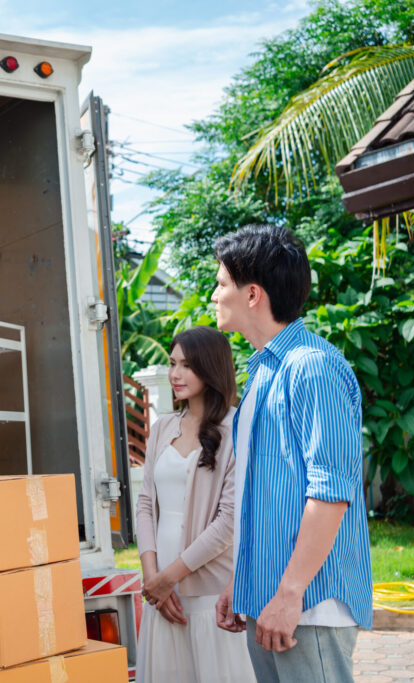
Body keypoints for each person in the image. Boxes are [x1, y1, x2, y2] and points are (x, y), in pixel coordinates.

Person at [212, 225, 372, 682]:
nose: (214, 294)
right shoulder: (265, 371)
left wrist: (290, 592)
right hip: (271, 599)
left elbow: (331, 492)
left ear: (253, 294)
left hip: (307, 604)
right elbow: (262, 497)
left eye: (222, 283)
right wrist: (239, 581)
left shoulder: (312, 368)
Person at [135, 326, 256, 683]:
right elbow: (145, 505)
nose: (175, 374)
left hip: (209, 591)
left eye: (186, 365)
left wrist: (170, 577)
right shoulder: (162, 427)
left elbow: (230, 521)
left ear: (211, 367)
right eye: (172, 363)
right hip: (162, 594)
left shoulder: (237, 427)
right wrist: (152, 579)